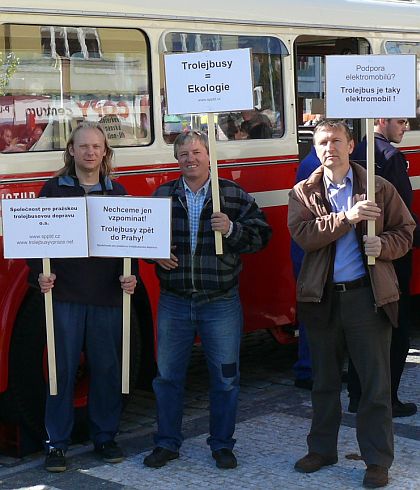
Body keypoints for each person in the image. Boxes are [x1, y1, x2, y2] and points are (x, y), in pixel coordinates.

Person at [288, 120, 415, 488]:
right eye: (323, 142)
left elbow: (405, 232)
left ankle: (377, 461)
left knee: (374, 385)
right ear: (315, 148)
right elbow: (305, 236)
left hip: (366, 296)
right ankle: (322, 449)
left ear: (351, 144)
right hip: (322, 298)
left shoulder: (377, 186)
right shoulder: (303, 192)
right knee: (324, 382)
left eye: (337, 141)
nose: (331, 148)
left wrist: (384, 246)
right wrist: (347, 218)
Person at [143, 131, 272, 470]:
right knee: (167, 377)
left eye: (197, 152)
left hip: (220, 302)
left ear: (209, 155)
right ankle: (167, 443)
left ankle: (222, 445)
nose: (191, 159)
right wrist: (155, 254)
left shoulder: (230, 193)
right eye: (183, 154)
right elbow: (141, 239)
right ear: (176, 158)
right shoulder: (163, 195)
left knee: (226, 377)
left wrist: (231, 229)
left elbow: (262, 236)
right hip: (175, 300)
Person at [28, 122, 137, 473]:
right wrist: (39, 276)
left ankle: (104, 436)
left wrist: (130, 275)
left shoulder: (118, 193)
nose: (90, 152)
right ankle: (56, 444)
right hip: (65, 296)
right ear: (71, 151)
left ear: (105, 152)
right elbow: (35, 240)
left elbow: (130, 241)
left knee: (107, 369)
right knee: (61, 371)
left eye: (97, 147)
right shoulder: (52, 191)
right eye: (83, 146)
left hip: (107, 295)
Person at [348, 118, 419, 417]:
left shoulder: (359, 150)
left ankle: (356, 394)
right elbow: (402, 217)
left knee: (361, 328)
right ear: (380, 120)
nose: (405, 127)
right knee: (395, 326)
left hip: (358, 253)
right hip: (391, 256)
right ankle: (388, 399)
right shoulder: (390, 157)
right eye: (401, 121)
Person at [291, 146, 321, 390]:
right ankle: (309, 369)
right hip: (310, 253)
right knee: (314, 312)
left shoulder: (311, 161)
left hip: (307, 251)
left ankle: (313, 367)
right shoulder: (315, 167)